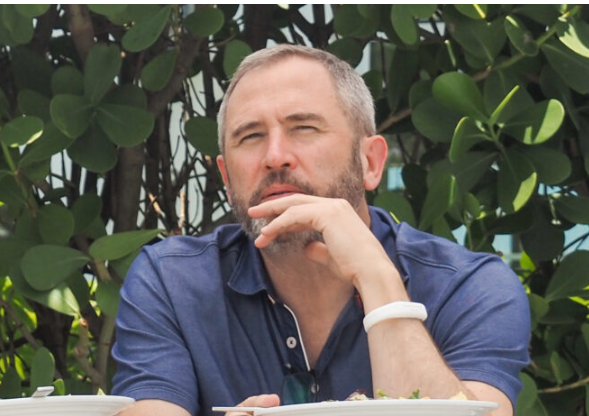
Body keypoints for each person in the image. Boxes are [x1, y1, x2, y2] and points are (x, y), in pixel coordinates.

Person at [111, 44, 530, 416]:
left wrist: (378, 280)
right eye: (251, 136)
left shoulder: (468, 287)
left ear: (370, 162)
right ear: (226, 177)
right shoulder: (173, 282)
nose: (276, 156)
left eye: (304, 128)